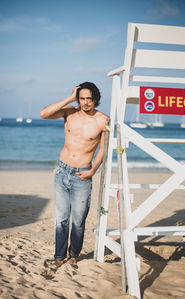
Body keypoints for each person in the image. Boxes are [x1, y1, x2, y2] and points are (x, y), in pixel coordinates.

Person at [40, 82, 108, 268]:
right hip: (62, 170)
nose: (85, 102)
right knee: (61, 219)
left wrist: (93, 170)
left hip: (82, 174)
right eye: (82, 98)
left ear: (95, 99)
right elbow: (43, 114)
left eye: (89, 99)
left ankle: (74, 254)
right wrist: (70, 98)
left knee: (78, 220)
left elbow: (103, 149)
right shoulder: (69, 112)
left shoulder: (103, 120)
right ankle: (59, 256)